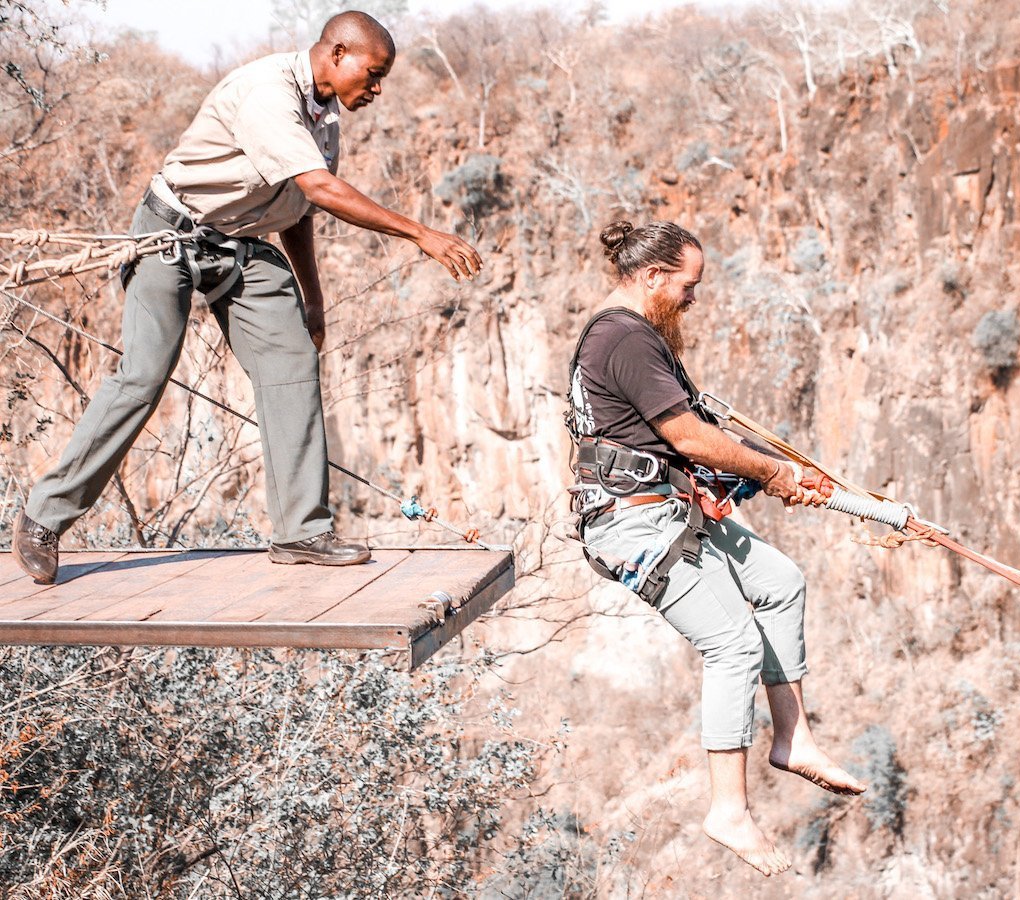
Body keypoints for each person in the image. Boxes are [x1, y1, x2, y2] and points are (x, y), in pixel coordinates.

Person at [11, 11, 482, 584]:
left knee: (291, 359)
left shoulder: (324, 118)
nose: (378, 88)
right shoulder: (268, 94)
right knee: (143, 377)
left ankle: (301, 532)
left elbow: (301, 208)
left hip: (240, 244)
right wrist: (421, 234)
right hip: (172, 232)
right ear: (337, 54)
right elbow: (322, 189)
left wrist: (313, 299)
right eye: (374, 73)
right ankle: (43, 519)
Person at [566, 220, 866, 877]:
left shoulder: (640, 337)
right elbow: (694, 441)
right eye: (687, 286)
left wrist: (779, 468)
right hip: (632, 522)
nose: (692, 299)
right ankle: (728, 810)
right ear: (650, 277)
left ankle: (792, 738)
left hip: (668, 508)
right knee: (731, 642)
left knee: (780, 581)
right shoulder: (624, 339)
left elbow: (693, 435)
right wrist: (771, 472)